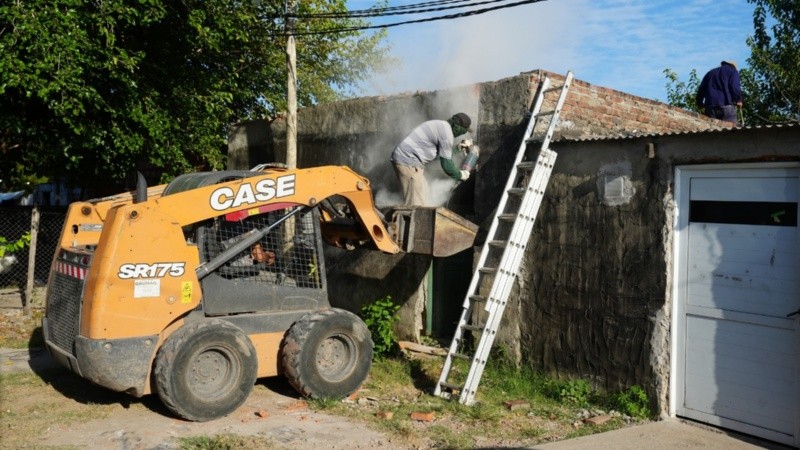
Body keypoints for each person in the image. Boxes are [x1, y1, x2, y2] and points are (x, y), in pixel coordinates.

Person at [390, 113, 473, 206]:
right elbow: (446, 165)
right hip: (408, 162)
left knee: (425, 192)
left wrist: (458, 149)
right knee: (416, 204)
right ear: (459, 128)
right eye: (464, 131)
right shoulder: (447, 134)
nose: (463, 133)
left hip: (407, 160)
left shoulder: (442, 126)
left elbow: (437, 156)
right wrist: (460, 175)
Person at [696, 60, 743, 125]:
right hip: (726, 106)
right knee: (732, 131)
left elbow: (701, 89)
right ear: (733, 66)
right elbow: (734, 87)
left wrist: (699, 103)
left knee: (713, 131)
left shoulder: (710, 73)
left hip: (710, 108)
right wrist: (738, 99)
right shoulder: (733, 71)